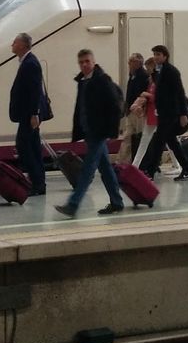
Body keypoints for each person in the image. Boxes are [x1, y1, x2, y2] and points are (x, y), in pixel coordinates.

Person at [56, 49, 125, 218]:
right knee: (105, 169)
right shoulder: (83, 82)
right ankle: (117, 202)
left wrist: (111, 129)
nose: (84, 65)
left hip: (98, 132)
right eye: (81, 62)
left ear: (93, 62)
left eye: (87, 61)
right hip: (89, 131)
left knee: (87, 169)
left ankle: (73, 204)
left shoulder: (102, 80)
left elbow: (115, 106)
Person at [138, 45, 188, 182]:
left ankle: (150, 172)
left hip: (171, 113)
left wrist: (182, 114)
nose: (156, 57)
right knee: (171, 141)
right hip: (163, 112)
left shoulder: (171, 71)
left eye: (158, 54)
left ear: (165, 56)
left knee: (158, 141)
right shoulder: (159, 71)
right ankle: (187, 169)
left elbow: (180, 92)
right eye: (155, 54)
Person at [7, 32, 48, 195]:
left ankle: (37, 183)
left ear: (23, 45)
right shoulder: (27, 62)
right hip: (28, 114)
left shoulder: (30, 63)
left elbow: (35, 91)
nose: (12, 45)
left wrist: (34, 114)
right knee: (33, 147)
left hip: (29, 115)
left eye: (15, 42)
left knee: (24, 146)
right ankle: (39, 183)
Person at [117, 52, 151, 164]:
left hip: (139, 112)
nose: (129, 64)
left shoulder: (144, 76)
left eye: (131, 62)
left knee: (140, 137)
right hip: (131, 111)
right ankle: (122, 162)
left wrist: (139, 106)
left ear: (138, 63)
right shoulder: (132, 75)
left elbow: (144, 93)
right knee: (128, 136)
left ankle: (146, 161)